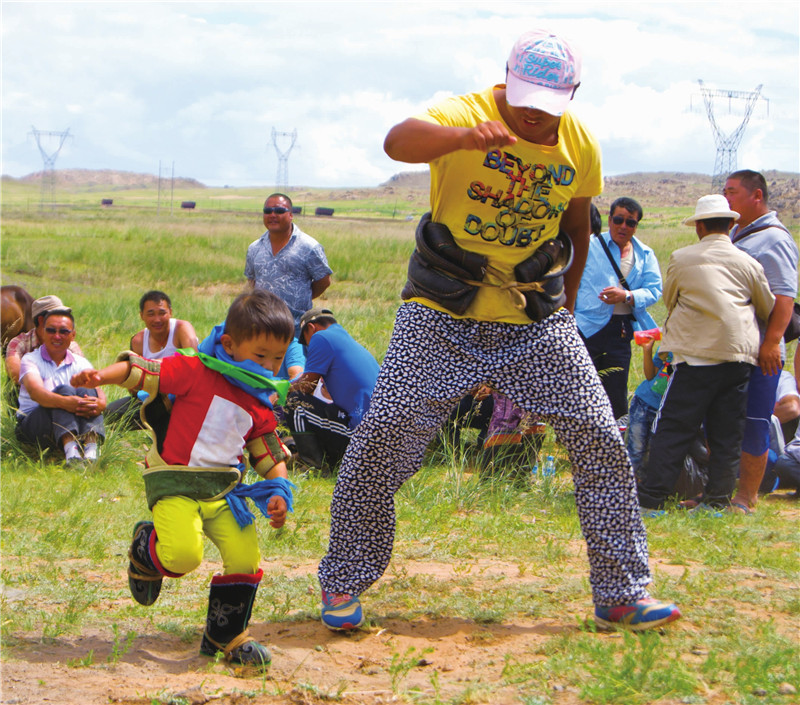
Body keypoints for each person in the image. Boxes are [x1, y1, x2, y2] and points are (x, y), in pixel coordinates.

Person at [317, 29, 680, 633]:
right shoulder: (469, 112)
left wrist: (564, 305)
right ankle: (343, 582)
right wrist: (464, 138)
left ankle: (622, 592)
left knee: (597, 433)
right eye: (524, 98)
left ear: (573, 94)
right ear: (506, 82)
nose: (534, 113)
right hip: (441, 316)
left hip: (532, 323)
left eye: (548, 102)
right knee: (384, 436)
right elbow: (396, 141)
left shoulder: (578, 142)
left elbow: (577, 224)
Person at [70, 290, 296, 667]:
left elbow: (267, 453)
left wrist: (280, 490)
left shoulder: (260, 400)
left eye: (278, 358)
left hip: (224, 493)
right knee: (182, 556)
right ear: (229, 344)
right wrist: (100, 376)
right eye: (261, 356)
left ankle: (225, 635)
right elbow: (141, 370)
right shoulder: (196, 369)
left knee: (245, 558)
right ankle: (146, 547)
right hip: (175, 483)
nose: (270, 367)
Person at [637, 195, 775, 512]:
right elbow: (765, 306)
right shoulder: (749, 263)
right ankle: (716, 502)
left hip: (694, 357)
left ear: (699, 226)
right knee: (727, 432)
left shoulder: (682, 258)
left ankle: (653, 499)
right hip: (738, 356)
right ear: (730, 225)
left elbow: (670, 299)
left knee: (672, 427)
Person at [723, 170, 799, 513]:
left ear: (757, 196)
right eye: (725, 191)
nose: (727, 198)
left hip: (760, 350)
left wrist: (772, 344)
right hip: (732, 347)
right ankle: (720, 491)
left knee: (754, 421)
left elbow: (784, 298)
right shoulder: (737, 232)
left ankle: (747, 496)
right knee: (726, 420)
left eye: (733, 192)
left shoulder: (775, 239)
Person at [575, 198, 663, 419]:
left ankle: (616, 441)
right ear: (610, 219)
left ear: (636, 225)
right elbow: (571, 282)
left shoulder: (645, 254)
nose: (623, 226)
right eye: (618, 220)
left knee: (616, 387)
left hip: (621, 331)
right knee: (581, 386)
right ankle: (575, 441)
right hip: (586, 326)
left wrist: (627, 295)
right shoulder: (589, 244)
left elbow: (654, 289)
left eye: (630, 223)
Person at [286, 307, 380, 471]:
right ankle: (324, 458)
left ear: (311, 328)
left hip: (360, 437)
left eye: (304, 340)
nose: (307, 345)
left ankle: (313, 466)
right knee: (327, 409)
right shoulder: (346, 341)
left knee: (295, 402)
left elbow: (305, 387)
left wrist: (282, 389)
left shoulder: (321, 337)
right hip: (378, 435)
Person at [16, 308, 106, 465]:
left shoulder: (81, 362)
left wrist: (100, 404)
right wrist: (67, 402)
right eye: (51, 330)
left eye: (64, 331)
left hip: (70, 419)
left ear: (73, 335)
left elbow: (98, 391)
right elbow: (37, 394)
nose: (57, 336)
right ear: (43, 333)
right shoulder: (30, 360)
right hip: (35, 425)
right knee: (64, 391)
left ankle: (91, 449)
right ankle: (71, 451)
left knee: (88, 392)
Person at [245, 192, 333, 335]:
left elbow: (323, 281)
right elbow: (252, 280)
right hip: (261, 327)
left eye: (279, 210)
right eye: (267, 211)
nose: (272, 215)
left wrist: (300, 297)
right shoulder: (254, 248)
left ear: (291, 215)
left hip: (296, 329)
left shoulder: (309, 247)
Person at [106, 291, 199, 425]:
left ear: (170, 312)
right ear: (142, 316)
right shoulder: (138, 341)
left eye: (162, 313)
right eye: (151, 314)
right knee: (111, 412)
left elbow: (193, 364)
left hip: (185, 396)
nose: (157, 319)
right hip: (152, 398)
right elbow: (134, 385)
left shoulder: (181, 328)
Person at [4, 295, 83, 385]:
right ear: (41, 320)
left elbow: (84, 373)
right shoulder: (20, 343)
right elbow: (13, 370)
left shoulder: (70, 344)